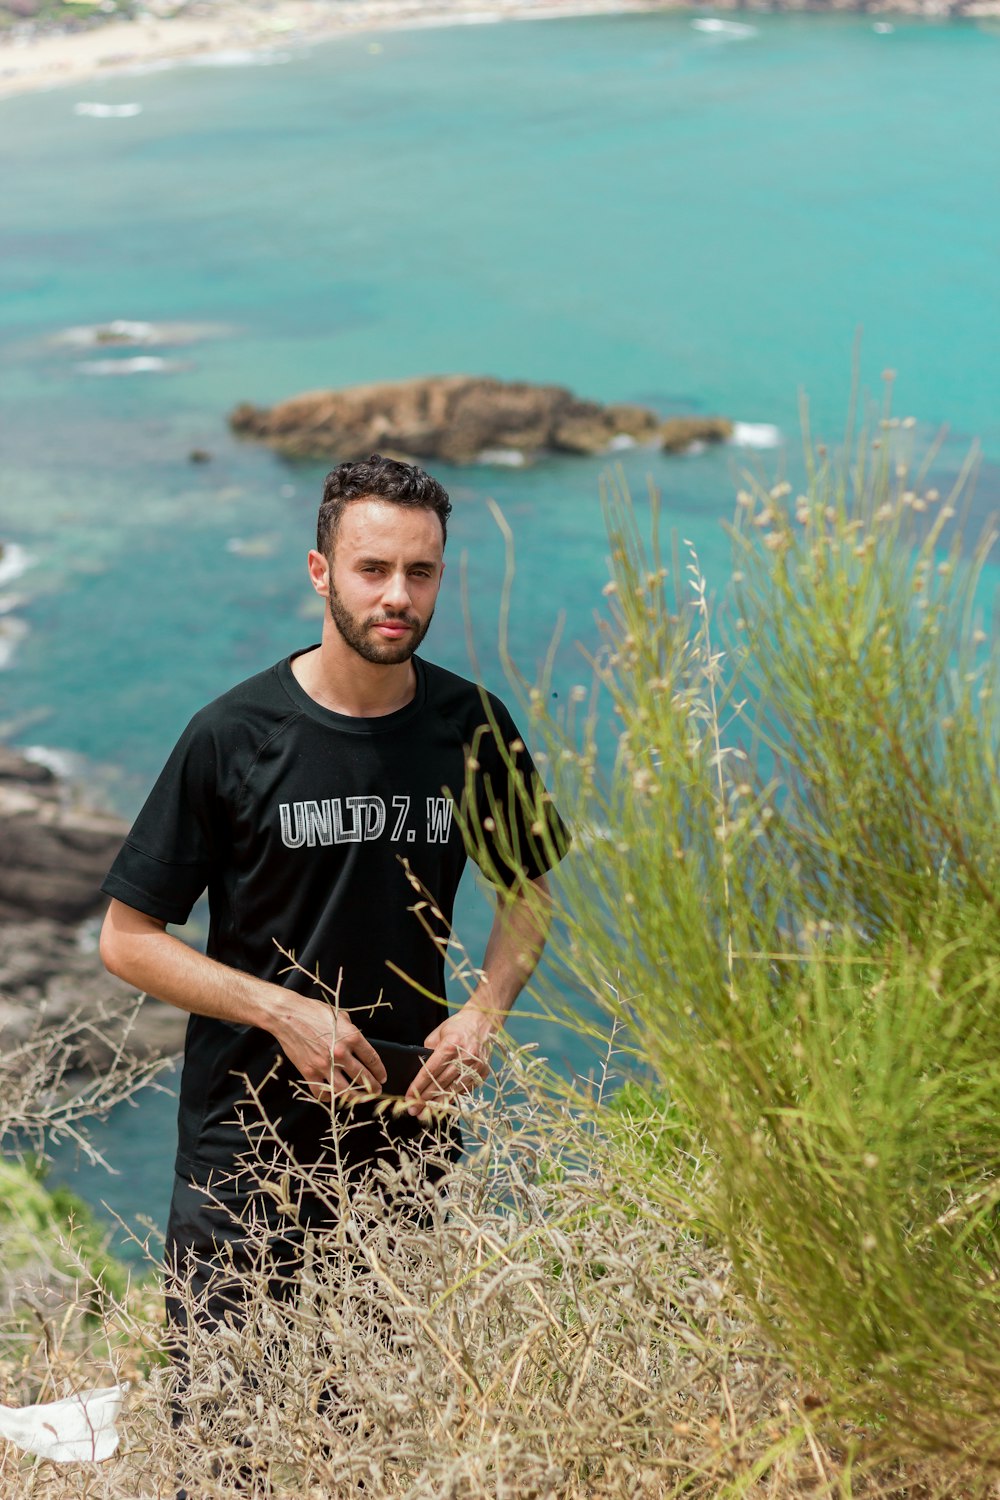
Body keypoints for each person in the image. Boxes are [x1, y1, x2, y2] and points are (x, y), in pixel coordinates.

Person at [98, 453, 564, 1447]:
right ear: (320, 571)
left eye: (421, 573)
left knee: (376, 1433)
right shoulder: (230, 737)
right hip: (245, 1150)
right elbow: (128, 941)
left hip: (405, 1138)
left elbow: (528, 893)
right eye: (372, 569)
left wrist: (484, 1009)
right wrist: (277, 1007)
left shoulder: (471, 729)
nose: (397, 597)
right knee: (223, 1436)